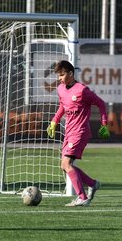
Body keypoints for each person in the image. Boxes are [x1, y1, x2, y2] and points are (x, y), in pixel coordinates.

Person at [47, 60, 110, 207]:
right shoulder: (61, 89)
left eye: (62, 75)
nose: (59, 78)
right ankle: (93, 184)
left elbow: (101, 103)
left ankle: (82, 197)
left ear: (70, 73)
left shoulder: (82, 90)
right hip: (69, 131)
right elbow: (63, 105)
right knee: (64, 166)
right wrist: (54, 121)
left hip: (80, 132)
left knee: (66, 163)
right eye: (58, 75)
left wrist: (104, 124)